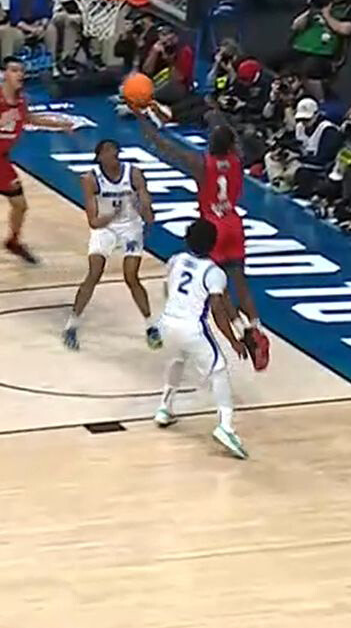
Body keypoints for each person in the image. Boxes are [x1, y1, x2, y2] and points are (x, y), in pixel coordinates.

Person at [135, 114, 272, 370]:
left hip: (213, 226)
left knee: (219, 288)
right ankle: (256, 327)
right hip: (233, 221)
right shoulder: (237, 159)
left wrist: (144, 124)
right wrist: (222, 122)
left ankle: (241, 330)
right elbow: (232, 139)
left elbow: (167, 148)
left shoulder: (202, 163)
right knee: (240, 281)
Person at [0, 56, 75, 285]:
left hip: (0, 162)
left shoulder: (21, 100)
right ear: (4, 74)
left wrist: (60, 125)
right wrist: (1, 121)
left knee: (20, 205)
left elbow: (29, 118)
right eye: (14, 70)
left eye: (21, 71)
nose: (20, 75)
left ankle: (13, 241)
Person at [153, 219, 252, 460]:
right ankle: (226, 427)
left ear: (187, 240)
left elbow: (167, 289)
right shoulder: (214, 272)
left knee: (177, 359)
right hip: (192, 328)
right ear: (214, 243)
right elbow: (218, 309)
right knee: (219, 370)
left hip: (167, 322)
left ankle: (165, 407)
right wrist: (233, 340)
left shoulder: (175, 260)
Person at [62, 138, 160, 350]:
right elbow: (93, 222)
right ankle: (71, 325)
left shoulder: (134, 174)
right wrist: (113, 215)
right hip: (105, 227)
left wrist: (144, 207)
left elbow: (148, 211)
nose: (113, 153)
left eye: (115, 150)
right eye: (107, 150)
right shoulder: (90, 179)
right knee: (94, 273)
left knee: (131, 276)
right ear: (99, 157)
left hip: (130, 227)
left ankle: (150, 326)